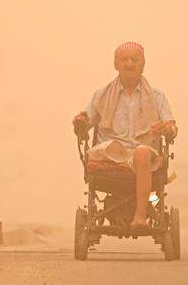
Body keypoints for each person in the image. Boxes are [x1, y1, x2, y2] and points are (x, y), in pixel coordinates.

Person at [72, 42, 177, 233]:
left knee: (141, 152)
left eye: (134, 60)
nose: (129, 64)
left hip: (143, 156)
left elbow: (171, 127)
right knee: (110, 148)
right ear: (116, 64)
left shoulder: (157, 97)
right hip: (111, 152)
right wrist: (80, 123)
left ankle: (140, 217)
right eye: (124, 60)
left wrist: (167, 130)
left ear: (142, 64)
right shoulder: (101, 95)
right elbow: (85, 122)